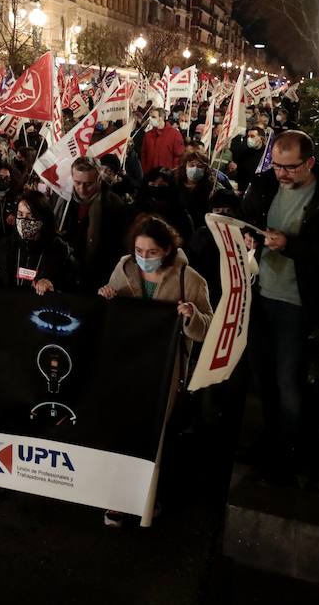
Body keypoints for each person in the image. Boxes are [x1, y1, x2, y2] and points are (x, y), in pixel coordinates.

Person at [97, 213, 214, 526]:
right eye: (139, 251)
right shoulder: (124, 268)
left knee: (155, 437)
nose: (144, 258)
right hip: (126, 366)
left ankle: (148, 498)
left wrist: (190, 317)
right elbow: (110, 313)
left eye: (151, 252)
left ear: (167, 250)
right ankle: (117, 498)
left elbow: (207, 328)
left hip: (164, 371)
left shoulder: (190, 280)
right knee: (120, 430)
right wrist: (107, 297)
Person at [239, 130, 319, 477]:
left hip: (296, 303)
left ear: (310, 163)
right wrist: (249, 237)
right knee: (263, 376)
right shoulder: (265, 184)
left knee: (288, 381)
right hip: (259, 294)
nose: (281, 174)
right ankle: (268, 438)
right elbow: (248, 220)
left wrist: (291, 246)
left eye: (291, 168)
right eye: (277, 165)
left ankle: (290, 450)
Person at [0, 190, 78, 295]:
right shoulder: (5, 245)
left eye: (31, 216)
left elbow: (72, 286)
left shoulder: (59, 250)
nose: (24, 220)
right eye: (20, 214)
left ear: (43, 218)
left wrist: (52, 284)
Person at [57, 157, 131, 292]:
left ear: (99, 179)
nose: (82, 189)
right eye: (77, 183)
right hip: (66, 276)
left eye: (88, 184)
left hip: (99, 279)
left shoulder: (114, 204)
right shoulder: (64, 201)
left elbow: (120, 247)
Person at [140, 105, 185, 176]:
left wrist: (172, 172)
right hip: (150, 176)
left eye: (153, 117)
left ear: (161, 118)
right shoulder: (148, 135)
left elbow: (179, 155)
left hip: (167, 177)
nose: (151, 119)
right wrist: (145, 170)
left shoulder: (175, 134)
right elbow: (143, 154)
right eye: (151, 117)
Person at [228, 126, 268, 193]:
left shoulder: (266, 155)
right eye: (248, 136)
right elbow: (240, 173)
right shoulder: (244, 153)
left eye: (252, 136)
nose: (249, 139)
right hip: (243, 190)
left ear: (261, 138)